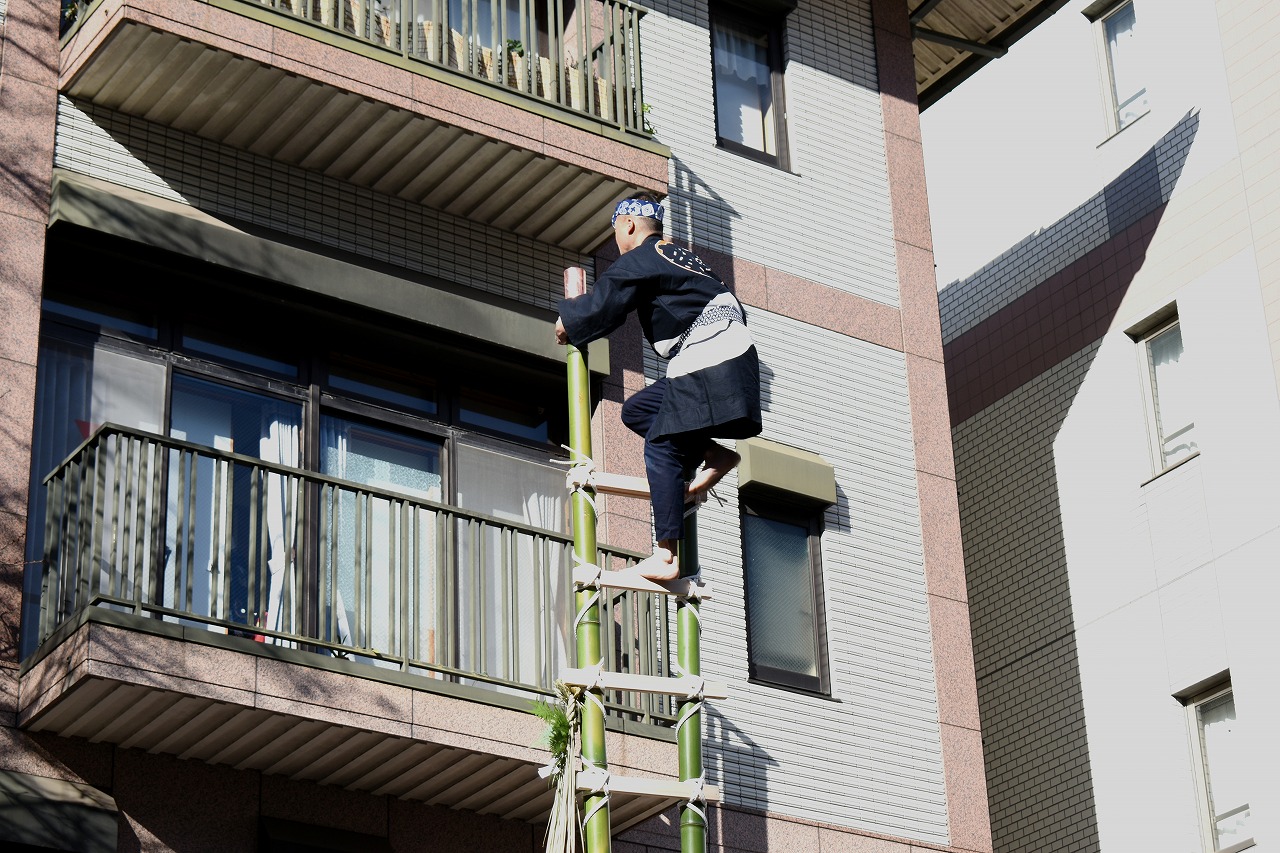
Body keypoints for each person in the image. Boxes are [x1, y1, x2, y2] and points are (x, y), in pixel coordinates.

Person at [555, 193, 762, 580]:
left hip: (708, 353)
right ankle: (715, 455)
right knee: (639, 411)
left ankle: (666, 555)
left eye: (616, 231)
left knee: (662, 441)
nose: (616, 240)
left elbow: (607, 301)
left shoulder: (643, 256)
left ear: (629, 224)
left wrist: (569, 321)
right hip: (732, 360)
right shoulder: (683, 257)